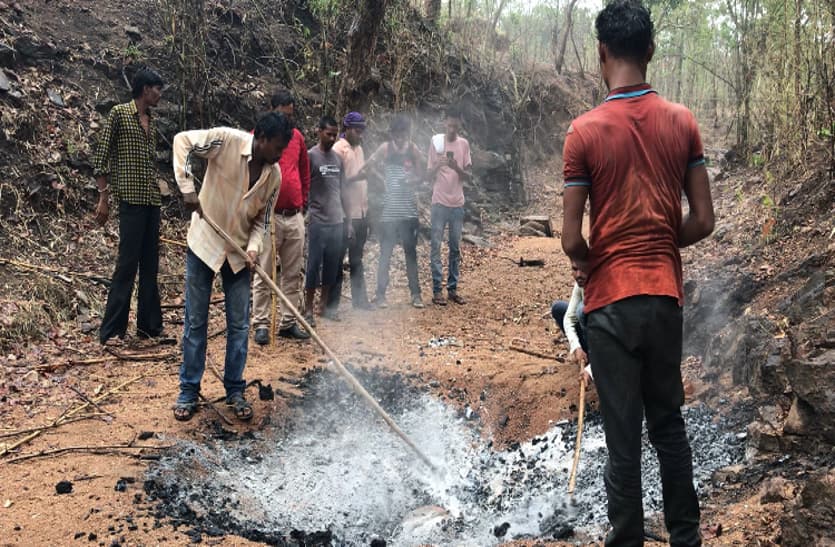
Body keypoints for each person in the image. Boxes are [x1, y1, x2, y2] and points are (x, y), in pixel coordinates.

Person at [561, 1, 715, 545]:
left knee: (623, 438)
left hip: (609, 305)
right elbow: (703, 220)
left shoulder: (583, 132)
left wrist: (588, 260)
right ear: (650, 50)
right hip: (663, 298)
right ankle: (685, 537)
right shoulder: (682, 122)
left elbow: (571, 236)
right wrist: (653, 242)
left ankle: (625, 537)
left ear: (602, 53)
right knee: (669, 425)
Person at [171, 112, 292, 422]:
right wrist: (186, 188)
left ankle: (235, 390)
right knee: (196, 321)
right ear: (262, 139)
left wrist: (253, 249)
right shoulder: (225, 140)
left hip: (238, 255)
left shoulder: (273, 176)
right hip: (205, 244)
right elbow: (182, 141)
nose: (280, 156)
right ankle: (188, 390)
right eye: (277, 148)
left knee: (239, 326)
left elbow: (262, 222)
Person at [93, 67, 165, 345]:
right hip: (131, 202)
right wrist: (103, 196)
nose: (159, 94)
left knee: (150, 265)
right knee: (126, 265)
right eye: (157, 89)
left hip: (151, 201)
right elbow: (101, 157)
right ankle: (112, 331)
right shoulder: (120, 114)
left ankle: (149, 327)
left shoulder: (152, 121)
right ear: (145, 89)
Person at [252, 91, 311, 343]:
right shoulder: (260, 137)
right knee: (264, 270)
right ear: (271, 109)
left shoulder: (296, 137)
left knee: (293, 272)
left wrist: (302, 201)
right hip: (268, 216)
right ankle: (261, 324)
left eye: (290, 114)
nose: (287, 120)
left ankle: (288, 321)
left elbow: (305, 172)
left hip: (294, 214)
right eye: (283, 114)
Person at [355, 115, 425, 309]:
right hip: (389, 211)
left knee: (410, 253)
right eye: (396, 134)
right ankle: (380, 295)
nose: (400, 138)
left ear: (407, 133)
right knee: (385, 253)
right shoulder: (385, 148)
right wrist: (381, 180)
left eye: (403, 134)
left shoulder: (413, 150)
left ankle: (416, 294)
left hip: (409, 209)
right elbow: (368, 166)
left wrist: (411, 181)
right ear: (392, 134)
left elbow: (422, 175)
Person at [305, 116, 352, 322]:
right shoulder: (310, 157)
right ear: (319, 131)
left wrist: (348, 221)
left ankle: (323, 307)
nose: (332, 138)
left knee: (332, 266)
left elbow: (343, 192)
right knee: (313, 266)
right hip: (317, 221)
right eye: (328, 133)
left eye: (335, 134)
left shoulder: (337, 160)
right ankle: (308, 309)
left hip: (336, 221)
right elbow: (304, 187)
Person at [427, 108, 472, 306]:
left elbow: (469, 176)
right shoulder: (436, 143)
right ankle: (437, 290)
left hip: (457, 204)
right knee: (435, 246)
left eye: (456, 125)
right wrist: (438, 164)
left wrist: (456, 167)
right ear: (444, 123)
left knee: (455, 248)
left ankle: (452, 289)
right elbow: (427, 175)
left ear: (459, 125)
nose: (452, 129)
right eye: (449, 125)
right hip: (439, 202)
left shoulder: (464, 144)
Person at [332, 112, 373, 310]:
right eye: (357, 131)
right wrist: (358, 177)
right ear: (346, 128)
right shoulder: (338, 149)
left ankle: (360, 301)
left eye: (362, 131)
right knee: (338, 259)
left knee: (357, 258)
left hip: (361, 212)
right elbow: (337, 184)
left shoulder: (359, 149)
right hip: (344, 214)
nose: (360, 135)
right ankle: (332, 305)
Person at [550, 261, 593, 384]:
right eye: (575, 269)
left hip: (604, 344)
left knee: (581, 310)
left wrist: (591, 371)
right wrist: (576, 346)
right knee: (559, 308)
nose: (578, 275)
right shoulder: (580, 283)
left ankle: (595, 361)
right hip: (588, 334)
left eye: (583, 269)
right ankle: (586, 354)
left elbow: (612, 342)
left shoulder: (605, 288)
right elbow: (569, 318)